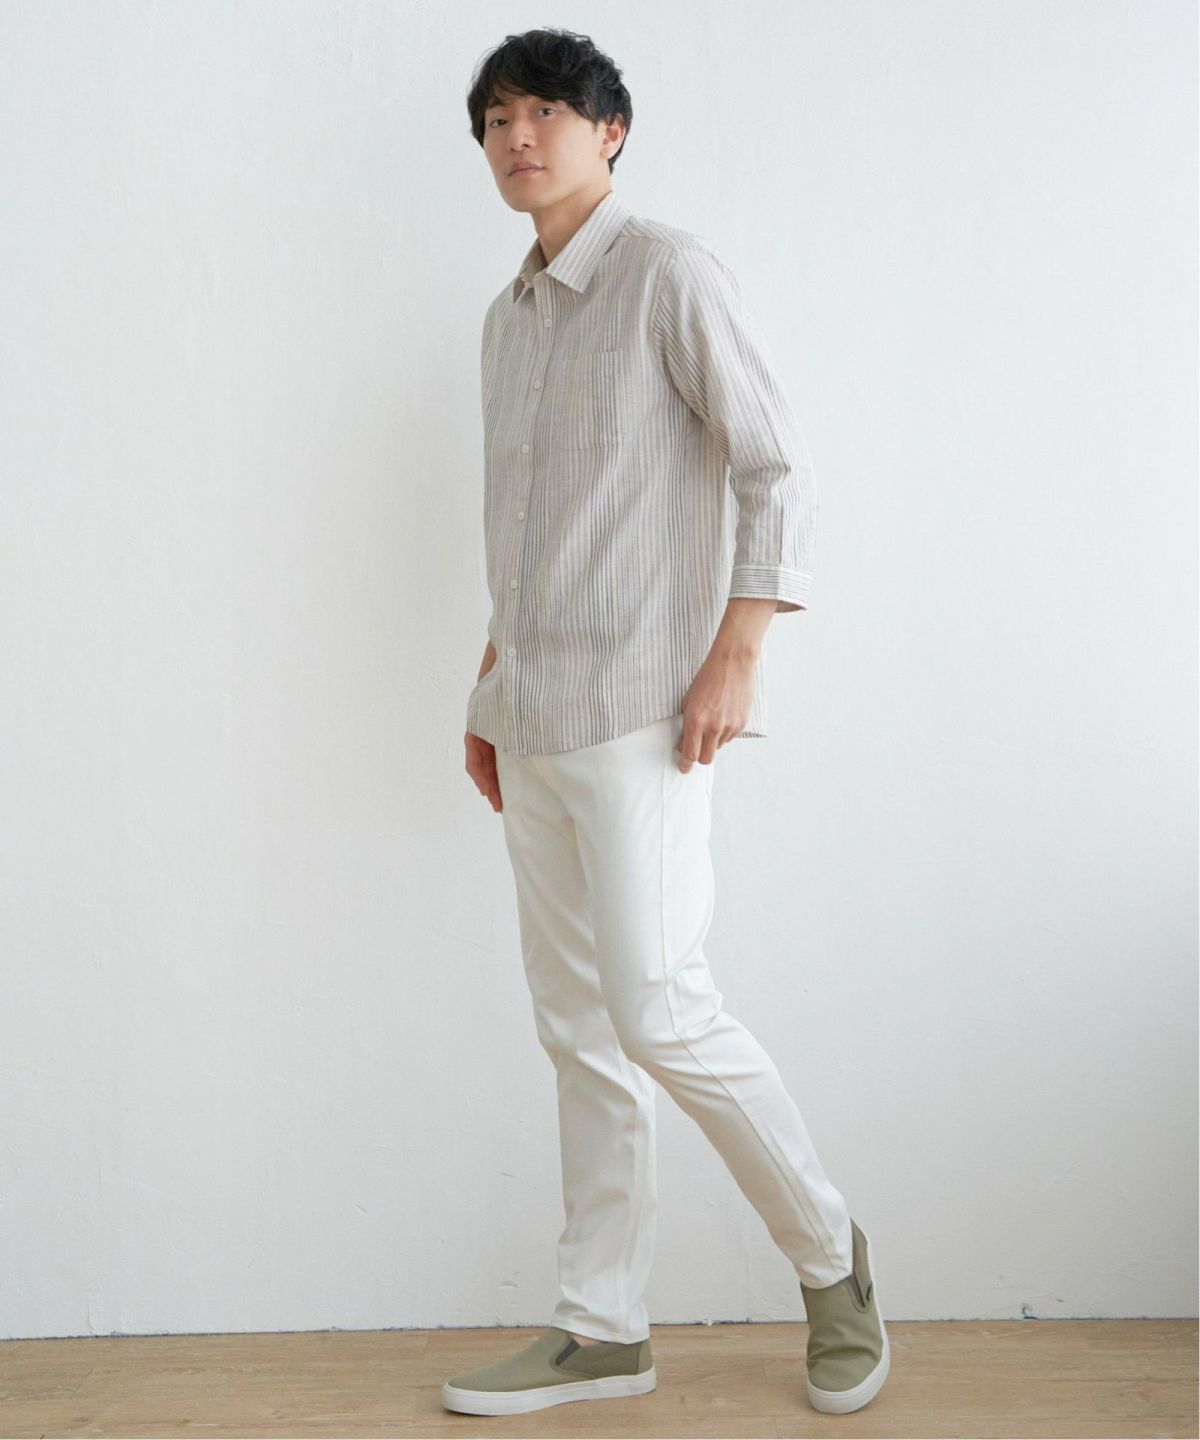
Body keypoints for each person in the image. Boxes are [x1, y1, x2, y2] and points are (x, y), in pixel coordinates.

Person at [444, 26, 889, 1419]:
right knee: (577, 1030)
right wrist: (491, 685)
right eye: (497, 118)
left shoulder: (667, 274)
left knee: (661, 1010)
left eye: (547, 111)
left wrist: (739, 652)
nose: (520, 137)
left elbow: (776, 465)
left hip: (646, 714)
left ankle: (831, 1261)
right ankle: (602, 1327)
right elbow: (529, 530)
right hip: (531, 715)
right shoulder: (505, 319)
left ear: (611, 130)